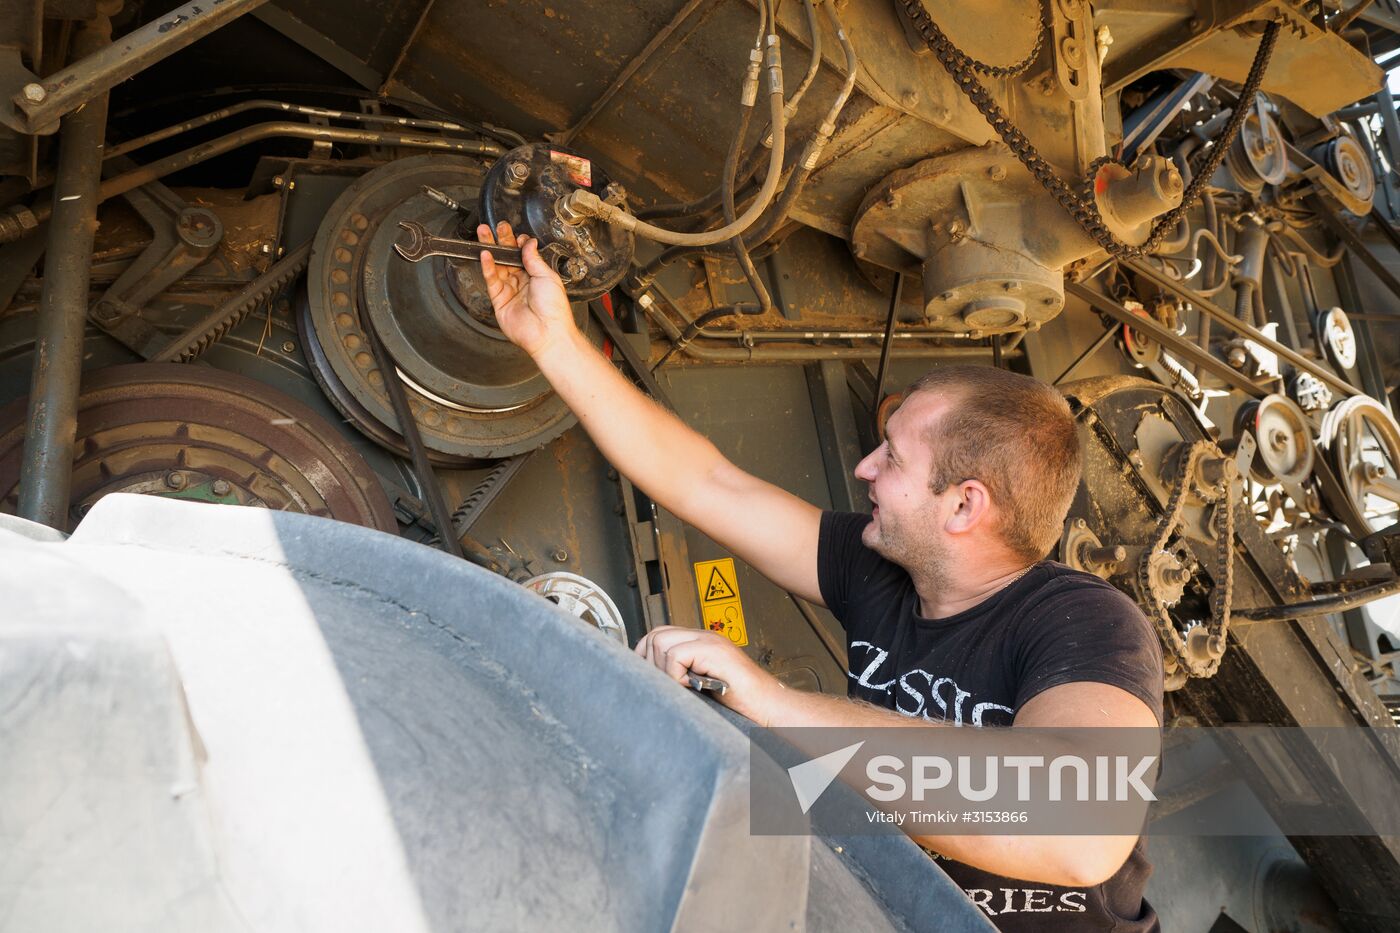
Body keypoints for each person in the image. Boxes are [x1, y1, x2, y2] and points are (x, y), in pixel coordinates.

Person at [479, 223, 1163, 931]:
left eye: (892, 459)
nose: (865, 468)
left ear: (965, 504)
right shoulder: (886, 568)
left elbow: (1078, 827)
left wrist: (773, 702)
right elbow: (710, 483)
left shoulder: (1085, 624)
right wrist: (554, 344)